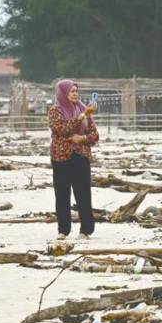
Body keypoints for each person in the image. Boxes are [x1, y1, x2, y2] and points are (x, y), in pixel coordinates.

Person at [48, 79, 98, 240]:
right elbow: (62, 129)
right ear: (63, 93)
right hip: (61, 157)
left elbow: (94, 135)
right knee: (62, 195)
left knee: (83, 194)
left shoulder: (84, 110)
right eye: (72, 91)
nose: (75, 93)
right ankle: (63, 230)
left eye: (77, 90)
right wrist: (83, 115)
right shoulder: (55, 111)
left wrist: (82, 138)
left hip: (80, 156)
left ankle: (86, 230)